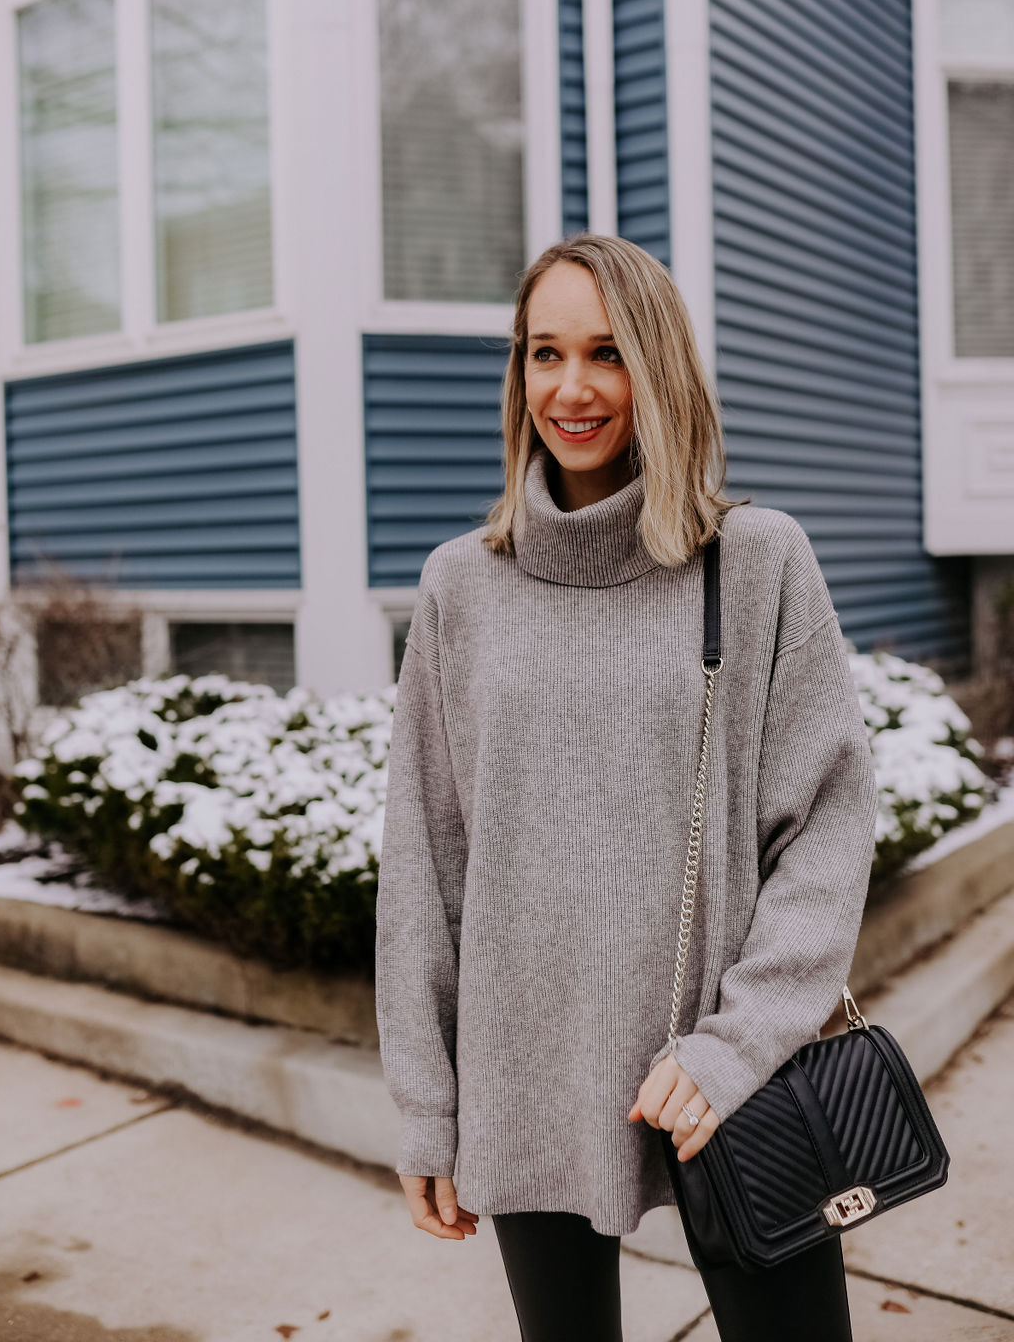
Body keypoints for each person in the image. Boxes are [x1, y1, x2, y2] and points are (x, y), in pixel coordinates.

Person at [374, 232, 878, 1341]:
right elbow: (428, 857)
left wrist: (737, 1041)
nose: (571, 388)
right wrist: (427, 1105)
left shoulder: (753, 563)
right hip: (526, 1074)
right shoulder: (463, 586)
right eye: (542, 353)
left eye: (605, 353)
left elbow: (829, 824)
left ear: (658, 368)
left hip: (726, 1077)